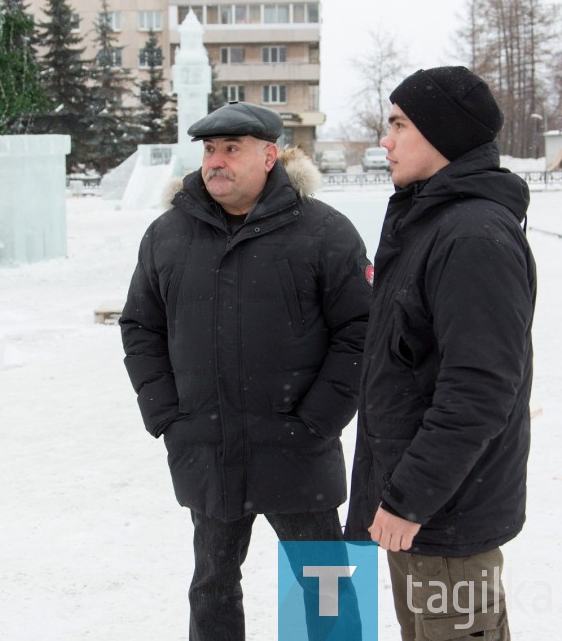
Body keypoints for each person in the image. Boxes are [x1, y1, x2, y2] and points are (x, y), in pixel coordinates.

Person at [120, 99, 373, 640]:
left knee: (326, 586)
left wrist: (318, 420)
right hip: (207, 450)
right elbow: (140, 327)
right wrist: (167, 413)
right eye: (210, 149)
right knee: (211, 585)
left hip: (298, 451)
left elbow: (362, 330)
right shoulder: (168, 236)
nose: (216, 161)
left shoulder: (325, 233)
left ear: (269, 156)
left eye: (231, 149)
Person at [345, 66, 535, 641]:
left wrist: (409, 499)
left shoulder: (472, 236)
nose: (386, 139)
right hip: (422, 512)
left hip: (442, 514)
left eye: (399, 124)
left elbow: (477, 391)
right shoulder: (431, 222)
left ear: (443, 134)